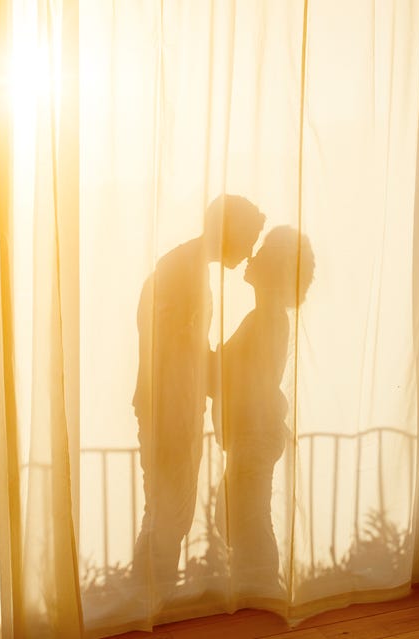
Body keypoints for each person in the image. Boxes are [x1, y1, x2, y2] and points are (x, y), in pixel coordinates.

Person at [131, 195, 265, 603]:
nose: (249, 253)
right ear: (229, 232)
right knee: (169, 513)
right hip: (169, 410)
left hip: (172, 407)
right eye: (248, 240)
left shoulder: (183, 268)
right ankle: (151, 601)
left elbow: (187, 351)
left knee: (164, 511)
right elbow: (177, 353)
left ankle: (147, 602)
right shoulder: (181, 273)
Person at [210, 225, 315, 596]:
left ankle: (263, 594)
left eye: (261, 252)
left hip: (256, 435)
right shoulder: (265, 318)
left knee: (248, 520)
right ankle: (259, 591)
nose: (251, 257)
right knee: (239, 517)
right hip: (255, 434)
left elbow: (235, 378)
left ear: (272, 269)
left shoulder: (266, 319)